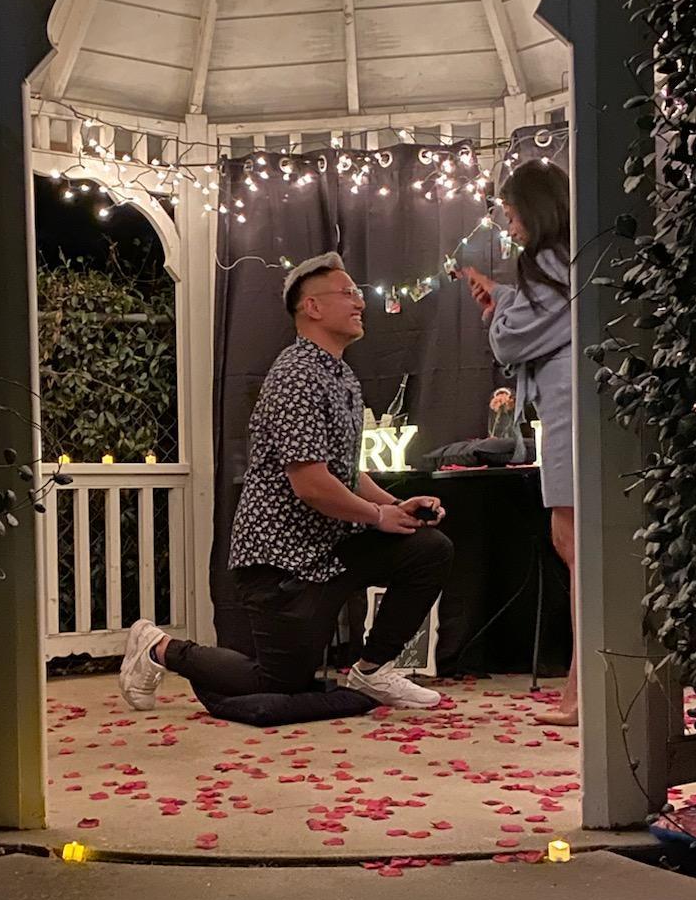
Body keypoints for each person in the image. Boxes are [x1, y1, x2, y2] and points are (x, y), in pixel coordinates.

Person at [119, 252, 452, 723]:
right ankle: (160, 647)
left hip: (331, 548)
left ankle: (371, 669)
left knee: (427, 547)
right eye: (348, 293)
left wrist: (398, 506)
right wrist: (378, 516)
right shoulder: (295, 374)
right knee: (276, 684)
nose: (360, 302)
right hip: (282, 561)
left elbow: (343, 470)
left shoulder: (343, 377)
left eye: (358, 293)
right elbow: (312, 485)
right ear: (311, 308)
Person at [461, 159, 578, 725]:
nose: (508, 229)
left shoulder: (551, 265)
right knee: (578, 551)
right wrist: (506, 298)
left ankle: (582, 689)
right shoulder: (570, 264)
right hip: (570, 413)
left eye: (510, 215)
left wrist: (501, 308)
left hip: (569, 416)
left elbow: (510, 343)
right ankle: (583, 684)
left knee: (576, 550)